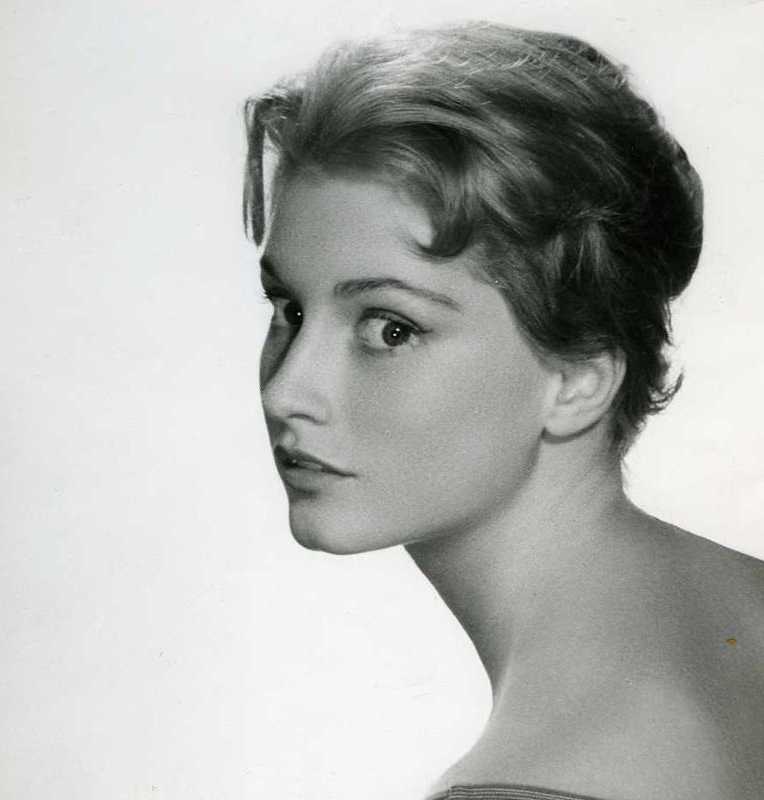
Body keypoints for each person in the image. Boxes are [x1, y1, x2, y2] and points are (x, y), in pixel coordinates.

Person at [242, 22, 764, 800]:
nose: (287, 391)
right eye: (289, 308)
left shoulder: (535, 780)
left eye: (391, 329)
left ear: (577, 380)